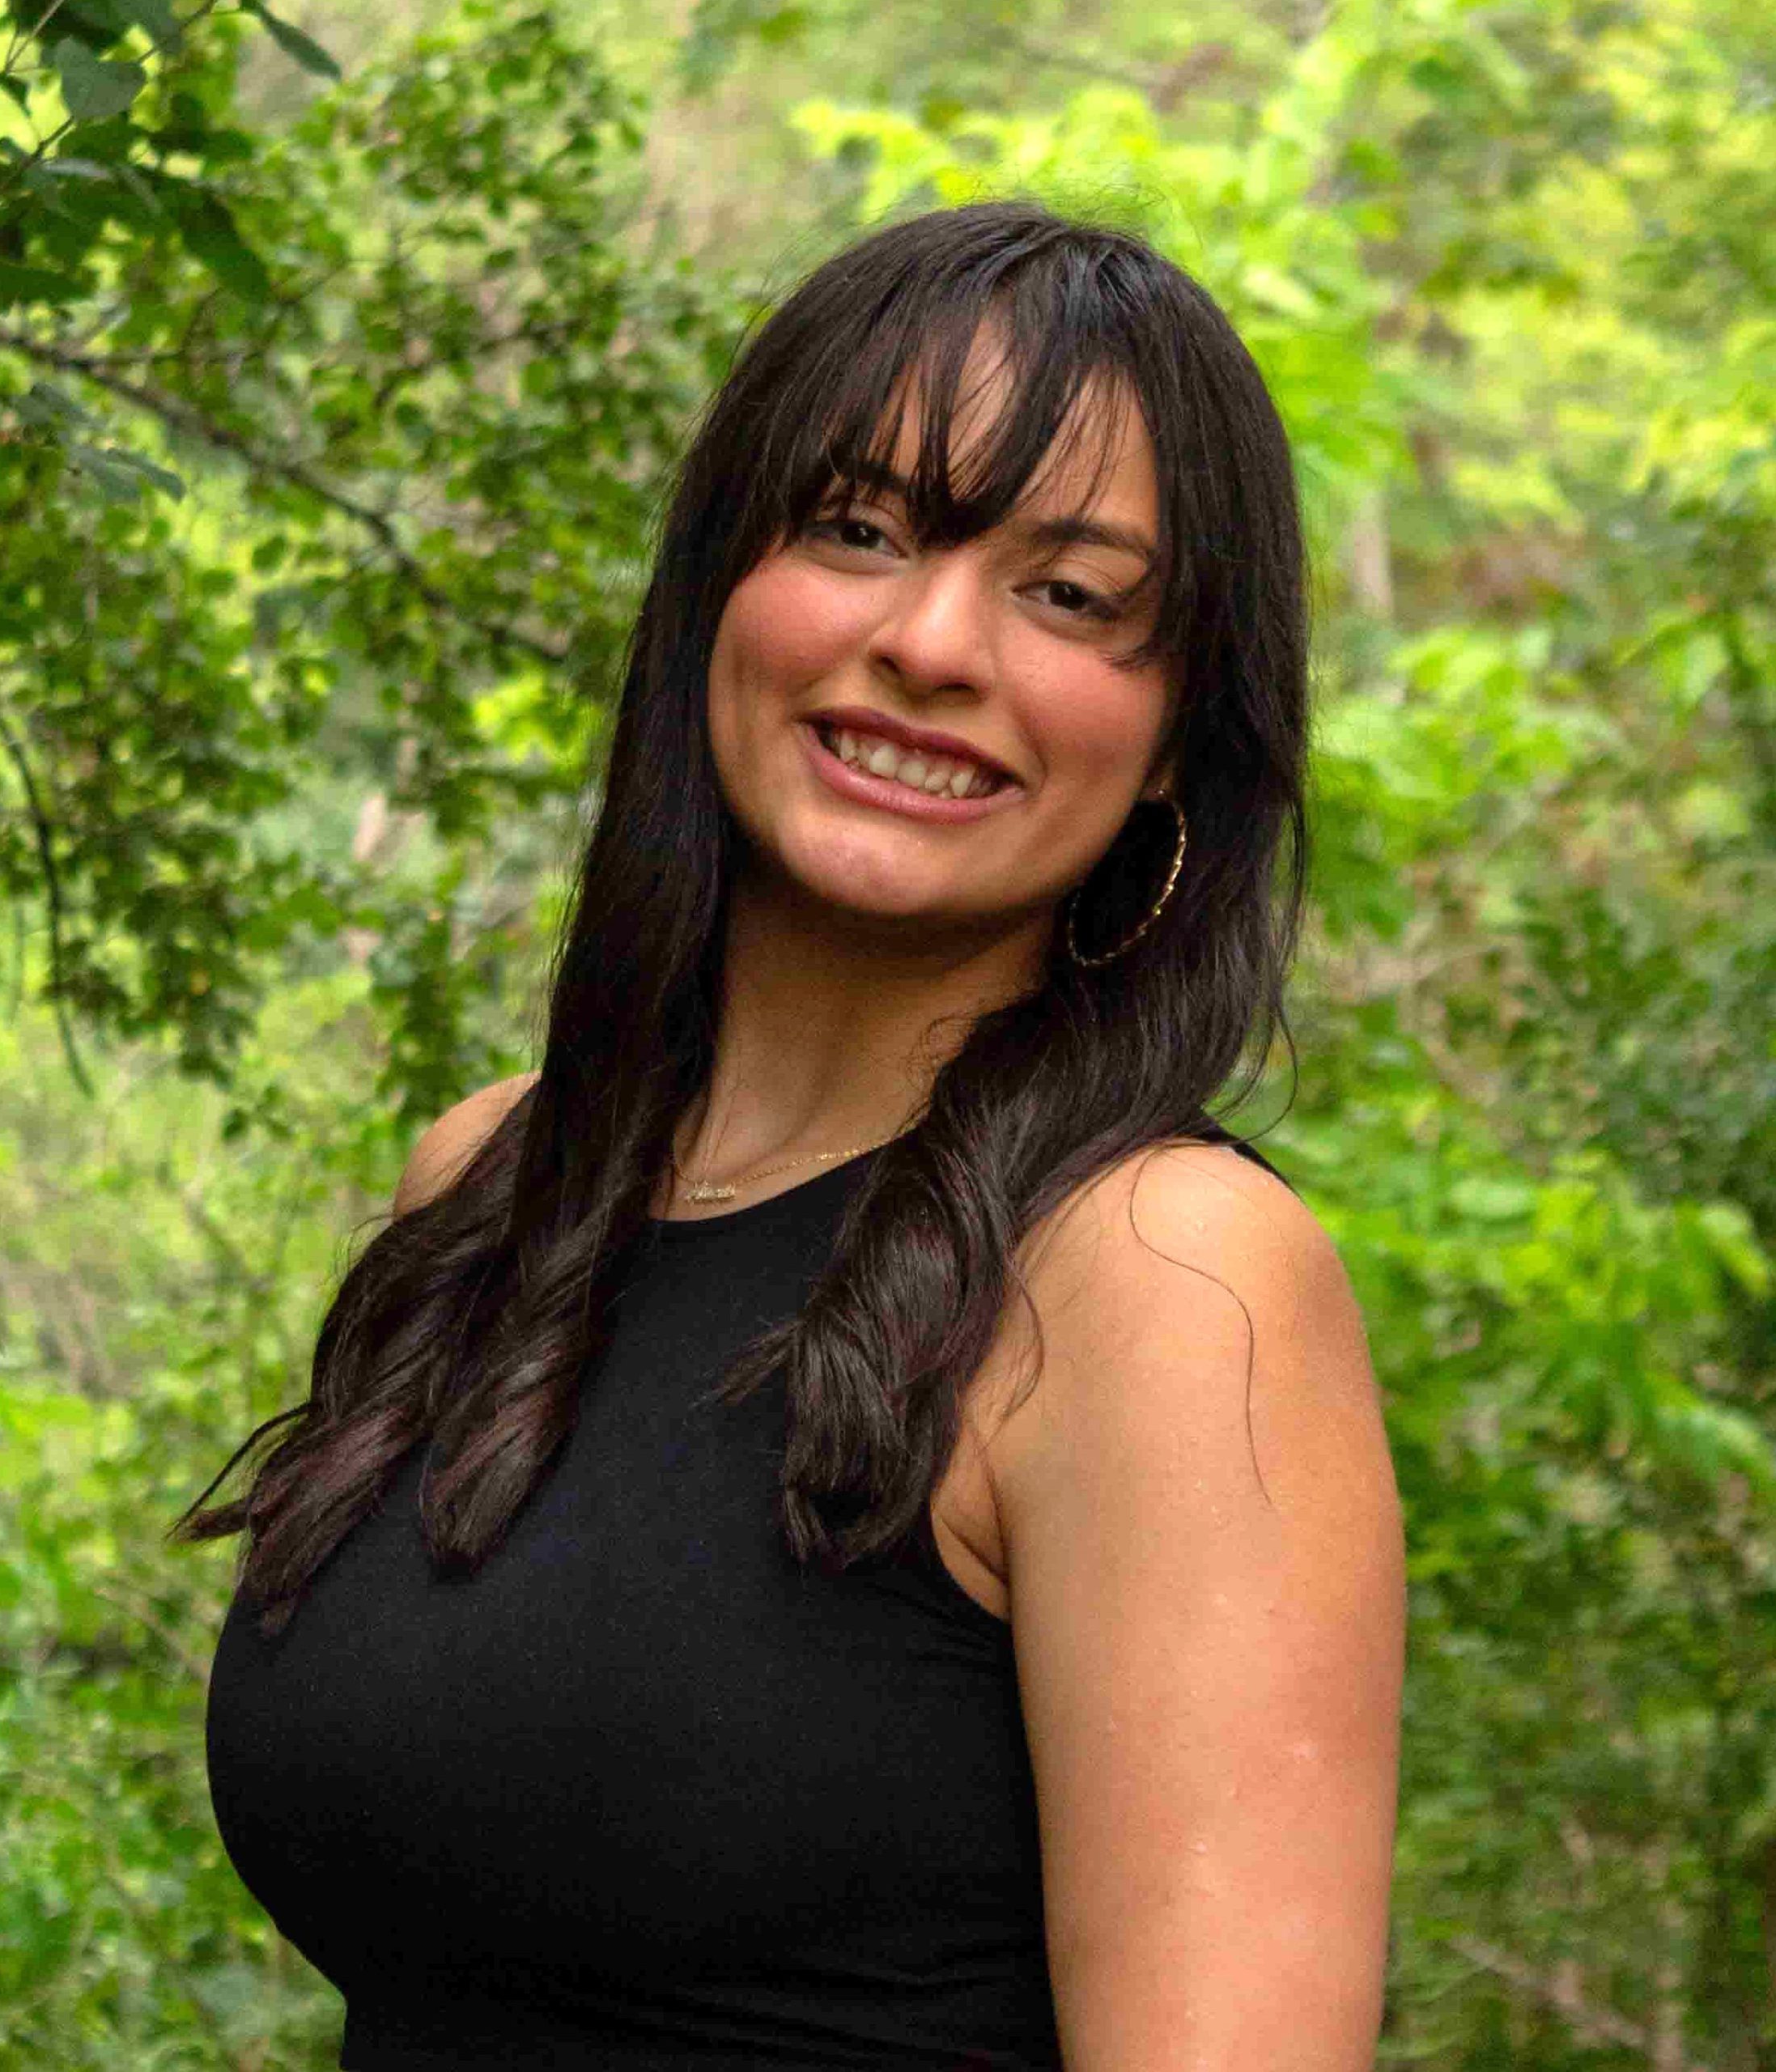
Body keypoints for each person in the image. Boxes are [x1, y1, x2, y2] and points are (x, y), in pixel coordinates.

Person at [187, 197, 1404, 2070]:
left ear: (1174, 742)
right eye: (858, 527)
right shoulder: (491, 1187)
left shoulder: (1161, 1284)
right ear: (716, 588)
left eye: (1068, 594)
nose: (928, 640)